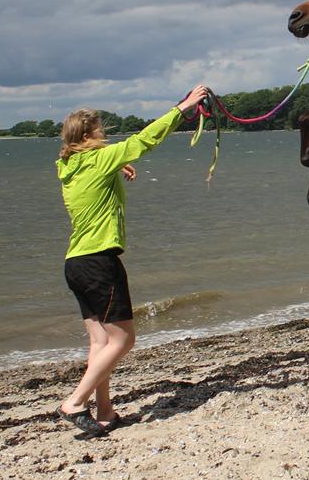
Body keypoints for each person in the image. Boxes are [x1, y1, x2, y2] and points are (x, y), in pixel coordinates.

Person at [54, 85, 210, 437]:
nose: (105, 137)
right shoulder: (100, 160)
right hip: (99, 262)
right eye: (101, 132)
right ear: (91, 136)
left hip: (75, 264)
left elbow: (99, 166)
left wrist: (117, 165)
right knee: (123, 340)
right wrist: (183, 108)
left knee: (99, 343)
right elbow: (145, 140)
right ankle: (75, 401)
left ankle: (106, 411)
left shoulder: (69, 166)